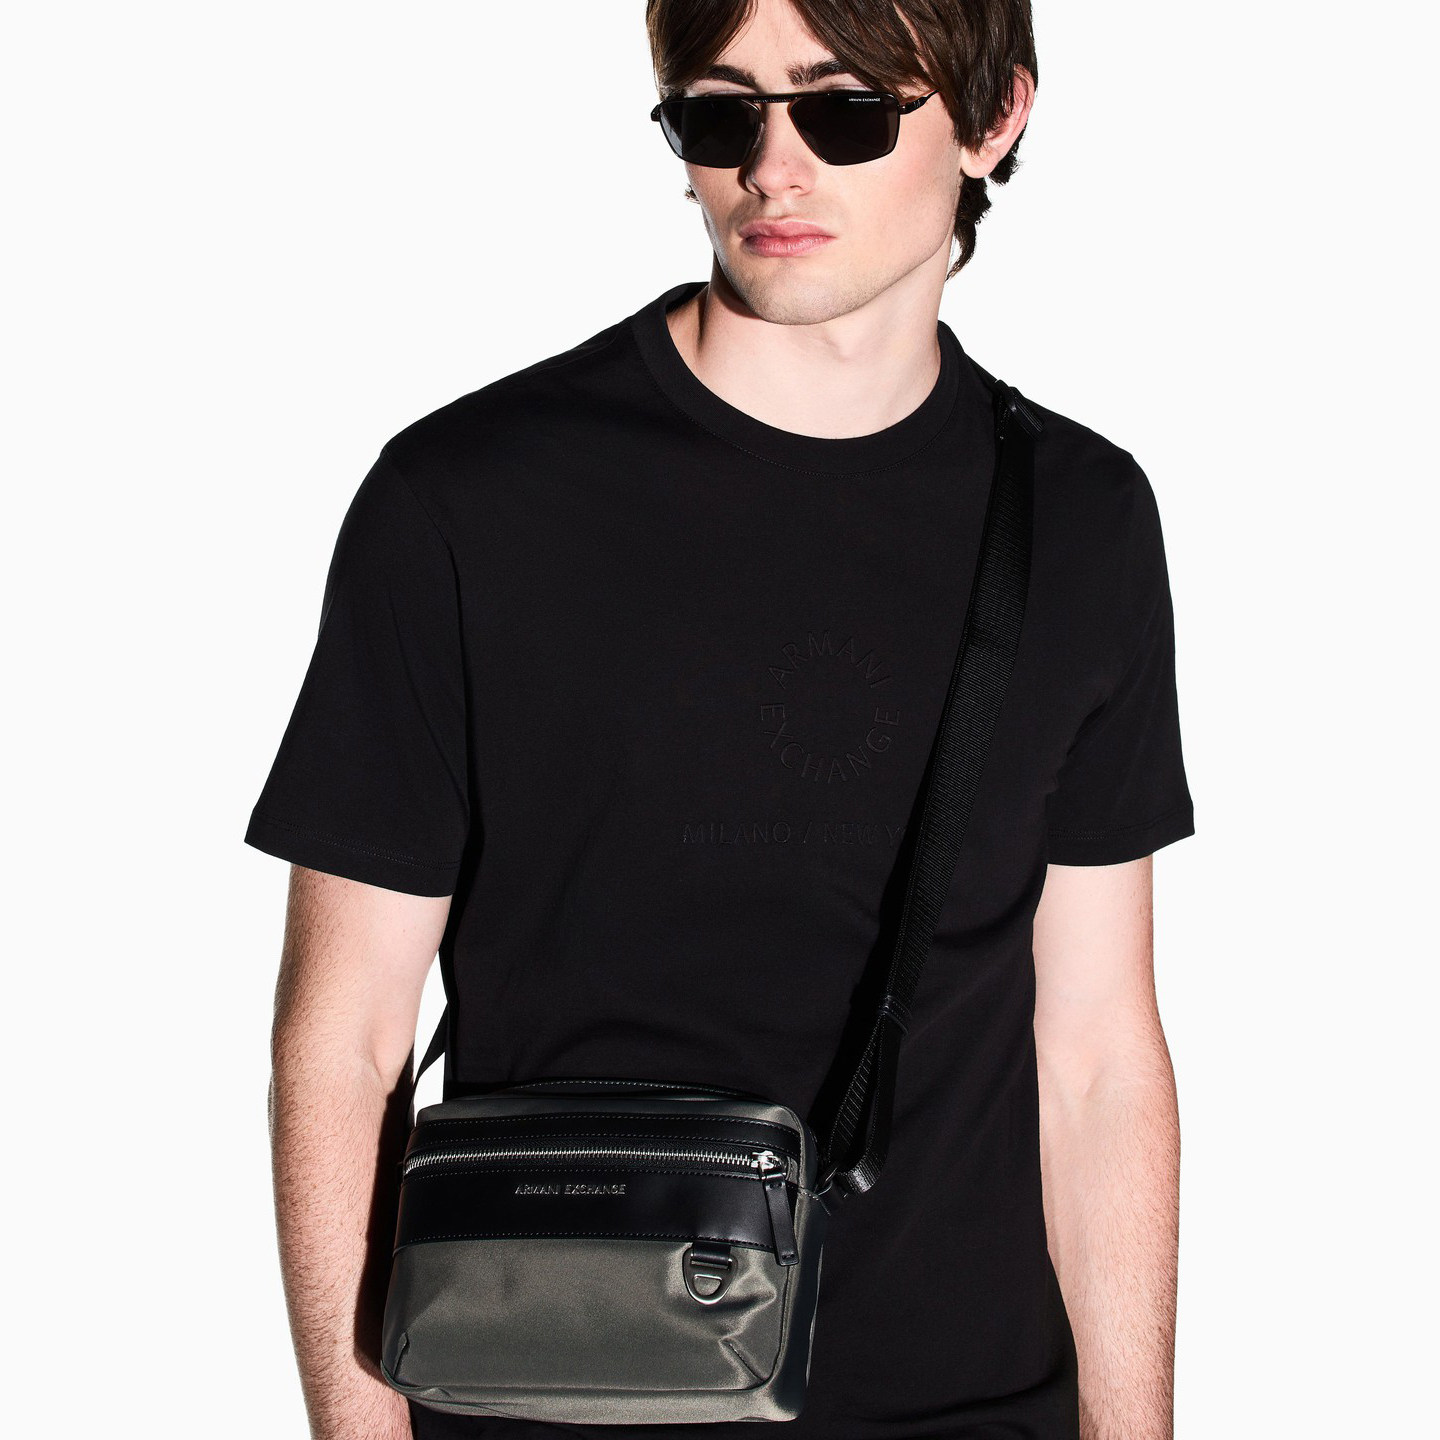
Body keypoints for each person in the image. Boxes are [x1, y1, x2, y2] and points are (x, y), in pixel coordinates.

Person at [246, 1, 1195, 1437]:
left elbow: (1099, 1054)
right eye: (720, 112)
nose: (773, 167)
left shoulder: (1084, 519)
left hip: (970, 1398)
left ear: (996, 118)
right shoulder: (467, 503)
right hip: (550, 1398)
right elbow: (343, 1042)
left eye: (846, 110)